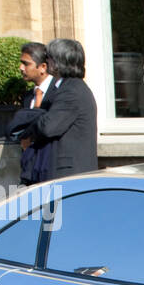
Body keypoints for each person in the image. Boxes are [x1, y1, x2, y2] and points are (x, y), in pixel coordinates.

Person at [29, 38, 98, 179]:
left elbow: (48, 127)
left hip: (69, 175)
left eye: (48, 58)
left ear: (57, 62)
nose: (46, 61)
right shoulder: (68, 87)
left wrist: (32, 117)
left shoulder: (71, 90)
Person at [7, 42, 56, 185]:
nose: (21, 68)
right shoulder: (29, 96)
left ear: (43, 67)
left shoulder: (59, 93)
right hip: (30, 168)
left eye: (26, 64)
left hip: (51, 169)